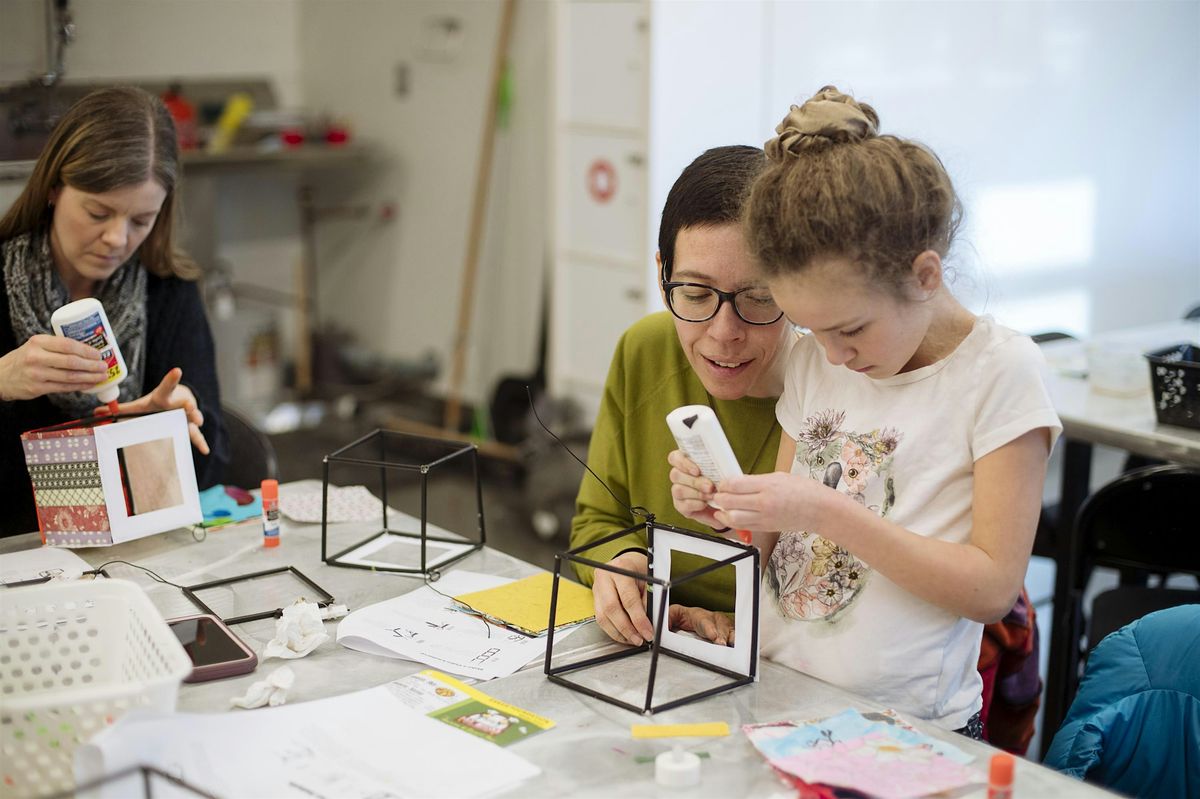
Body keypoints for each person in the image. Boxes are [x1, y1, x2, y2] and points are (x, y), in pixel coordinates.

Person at [669, 87, 1061, 737]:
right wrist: (732, 510)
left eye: (850, 328)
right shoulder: (817, 359)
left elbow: (992, 587)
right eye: (813, 328)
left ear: (925, 275)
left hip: (905, 728)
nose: (832, 353)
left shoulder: (1000, 374)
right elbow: (769, 551)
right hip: (777, 697)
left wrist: (828, 513)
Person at [570, 145, 792, 647]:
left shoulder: (831, 393)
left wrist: (747, 630)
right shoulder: (645, 350)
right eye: (694, 295)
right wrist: (623, 563)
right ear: (661, 274)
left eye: (758, 298)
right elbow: (598, 519)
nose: (723, 332)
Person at [0, 86, 228, 537]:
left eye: (141, 221)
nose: (117, 240)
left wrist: (165, 432)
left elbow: (213, 470)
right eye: (98, 212)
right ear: (53, 189)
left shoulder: (169, 292)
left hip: (134, 556)